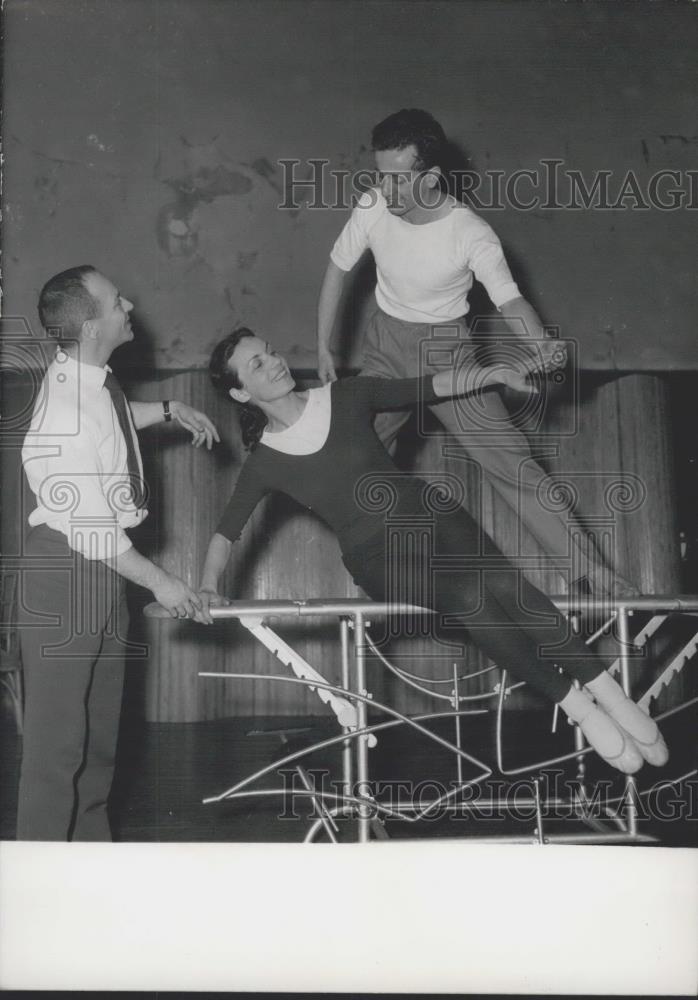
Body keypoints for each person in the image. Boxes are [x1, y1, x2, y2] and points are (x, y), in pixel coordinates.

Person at [196, 327, 668, 778]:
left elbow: (433, 384)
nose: (274, 362)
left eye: (271, 351)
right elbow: (225, 531)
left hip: (433, 517)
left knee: (506, 584)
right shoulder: (266, 460)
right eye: (256, 364)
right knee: (470, 597)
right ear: (241, 393)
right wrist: (206, 587)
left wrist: (496, 373)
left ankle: (613, 694)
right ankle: (579, 707)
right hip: (378, 556)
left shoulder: (346, 395)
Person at [316, 108, 636, 600]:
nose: (386, 190)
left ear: (432, 177)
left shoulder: (470, 233)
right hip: (384, 348)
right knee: (353, 452)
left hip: (448, 351)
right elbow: (338, 269)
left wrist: (539, 344)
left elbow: (510, 299)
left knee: (513, 463)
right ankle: (383, 573)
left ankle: (595, 575)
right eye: (380, 176)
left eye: (399, 180)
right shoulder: (373, 205)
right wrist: (323, 346)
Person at [18, 264, 219, 841]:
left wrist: (166, 410)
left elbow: (108, 425)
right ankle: (40, 893)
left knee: (98, 745)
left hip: (101, 573)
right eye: (114, 301)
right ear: (89, 326)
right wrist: (162, 582)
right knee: (58, 751)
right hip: (69, 570)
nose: (129, 303)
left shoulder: (89, 381)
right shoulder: (66, 409)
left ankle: (92, 876)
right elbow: (91, 529)